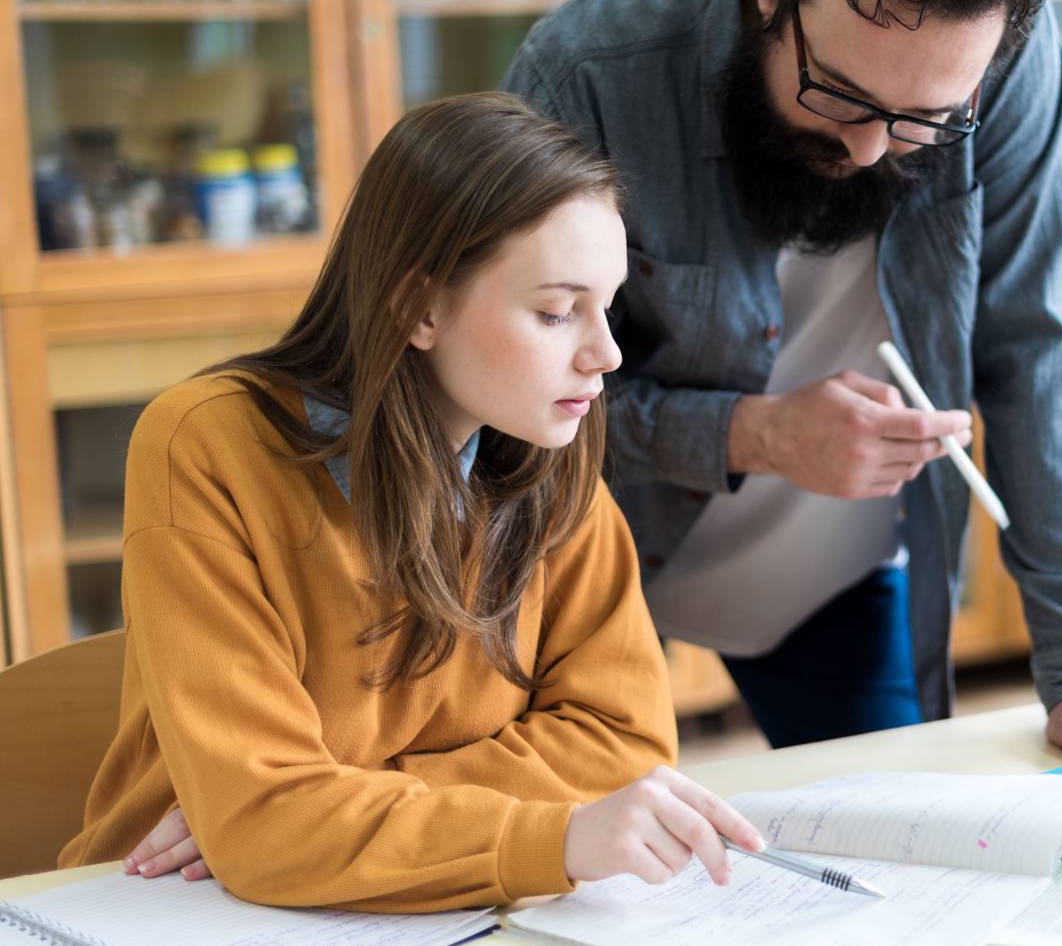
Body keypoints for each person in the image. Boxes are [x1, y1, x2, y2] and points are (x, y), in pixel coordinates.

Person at [499, 0, 1062, 753]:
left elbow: (1042, 349)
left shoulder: (1004, 64)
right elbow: (506, 401)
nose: (870, 150)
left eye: (926, 120)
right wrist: (753, 435)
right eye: (839, 95)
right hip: (594, 552)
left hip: (830, 574)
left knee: (897, 842)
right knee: (591, 847)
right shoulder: (590, 70)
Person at [59, 93, 763, 909]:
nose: (604, 355)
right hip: (168, 907)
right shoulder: (207, 448)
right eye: (555, 312)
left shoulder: (551, 453)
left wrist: (322, 807)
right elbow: (265, 826)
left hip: (394, 902)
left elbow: (627, 746)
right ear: (418, 306)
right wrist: (553, 834)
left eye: (606, 307)